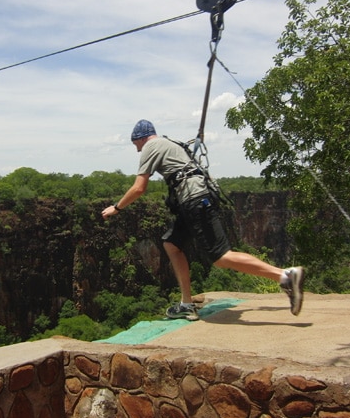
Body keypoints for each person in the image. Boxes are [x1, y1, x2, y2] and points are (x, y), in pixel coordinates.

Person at [101, 119, 304, 321]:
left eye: (135, 144)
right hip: (194, 200)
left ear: (141, 138)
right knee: (171, 244)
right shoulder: (169, 144)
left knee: (221, 257)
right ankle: (186, 304)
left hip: (195, 200)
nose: (137, 150)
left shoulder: (151, 146)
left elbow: (139, 188)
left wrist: (117, 208)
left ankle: (285, 276)